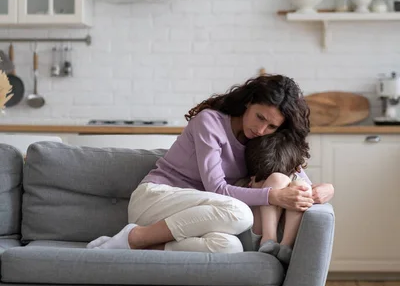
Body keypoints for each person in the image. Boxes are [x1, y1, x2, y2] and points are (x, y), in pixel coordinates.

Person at [87, 74, 334, 253]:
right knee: (239, 213)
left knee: (229, 247)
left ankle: (142, 247)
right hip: (158, 199)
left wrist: (324, 190)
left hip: (202, 215)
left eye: (271, 126)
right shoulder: (210, 123)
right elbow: (217, 189)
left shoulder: (263, 138)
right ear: (249, 102)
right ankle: (134, 237)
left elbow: (294, 177)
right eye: (260, 117)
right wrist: (274, 197)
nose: (261, 129)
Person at [237, 129, 313, 264]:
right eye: (263, 180)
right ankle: (269, 239)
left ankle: (285, 246)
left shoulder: (294, 179)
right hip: (255, 238)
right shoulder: (242, 185)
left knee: (300, 186)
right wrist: (262, 190)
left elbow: (308, 190)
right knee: (278, 179)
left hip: (283, 236)